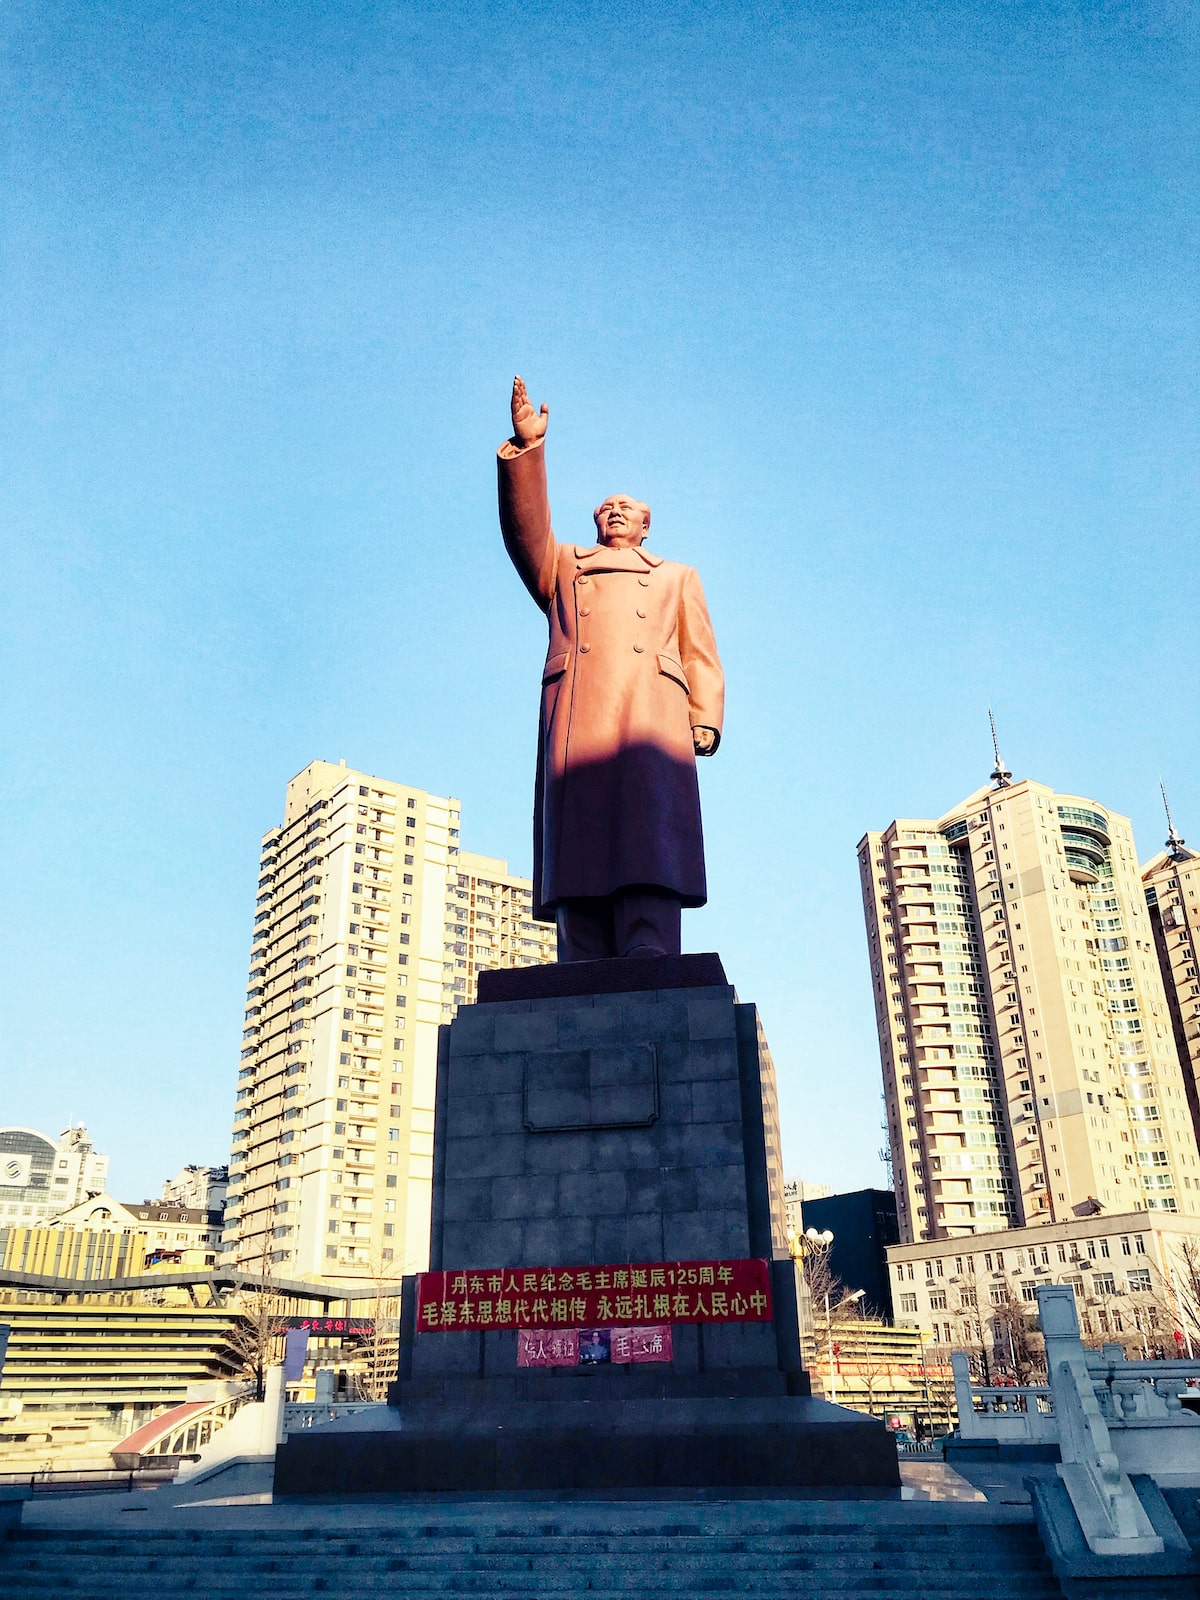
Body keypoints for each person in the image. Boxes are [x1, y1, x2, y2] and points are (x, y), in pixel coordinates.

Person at [498, 376, 724, 961]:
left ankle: (649, 937)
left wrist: (705, 715)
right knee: (581, 824)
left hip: (651, 710)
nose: (615, 512)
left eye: (627, 509)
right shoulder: (566, 565)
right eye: (606, 508)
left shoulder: (676, 576)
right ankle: (583, 945)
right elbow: (526, 537)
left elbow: (700, 650)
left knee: (649, 823)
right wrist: (528, 451)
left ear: (647, 526)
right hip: (580, 710)